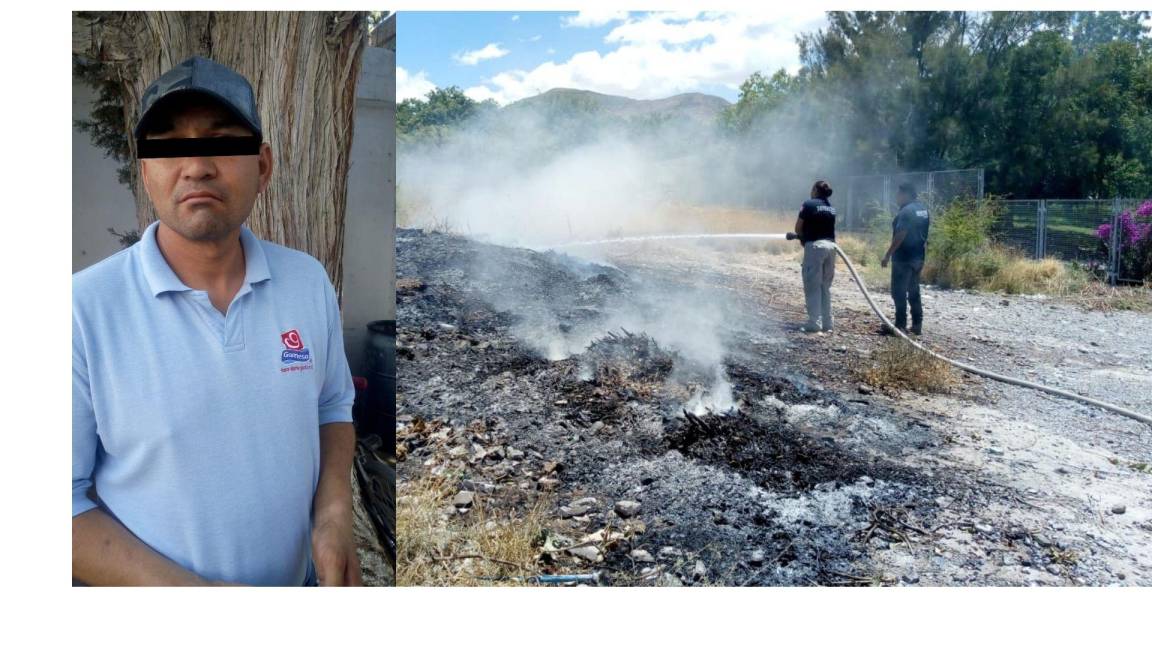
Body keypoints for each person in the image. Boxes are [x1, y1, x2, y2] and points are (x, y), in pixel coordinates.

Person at [72, 57, 362, 586]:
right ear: (146, 172)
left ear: (264, 165)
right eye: (168, 145)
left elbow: (331, 405)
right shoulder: (81, 310)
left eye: (224, 141)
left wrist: (334, 514)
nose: (197, 166)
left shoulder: (307, 281)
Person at [881, 182, 931, 335]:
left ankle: (900, 325)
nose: (896, 197)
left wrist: (887, 255)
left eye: (898, 194)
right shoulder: (923, 210)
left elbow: (900, 235)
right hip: (918, 257)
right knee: (914, 291)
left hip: (903, 259)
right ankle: (917, 325)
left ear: (906, 194)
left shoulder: (906, 212)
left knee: (899, 292)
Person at [794, 180, 838, 333]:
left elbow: (798, 228)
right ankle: (827, 323)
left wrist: (802, 238)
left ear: (814, 190)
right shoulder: (831, 208)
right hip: (832, 248)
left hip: (816, 248)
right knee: (825, 287)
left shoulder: (808, 204)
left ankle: (814, 322)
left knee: (812, 285)